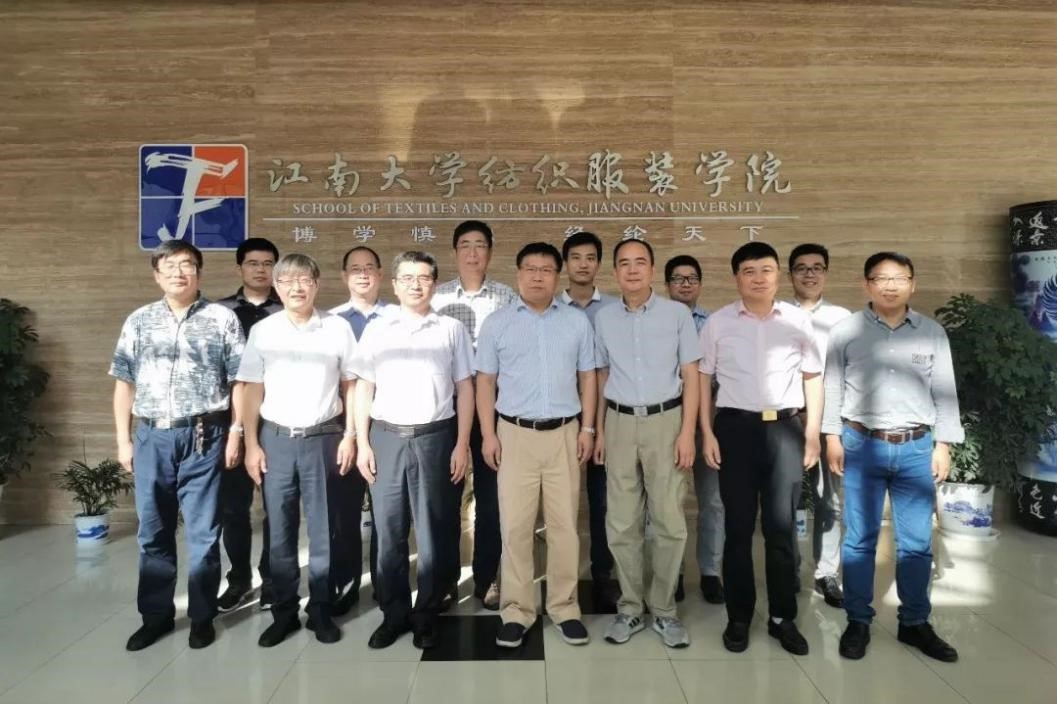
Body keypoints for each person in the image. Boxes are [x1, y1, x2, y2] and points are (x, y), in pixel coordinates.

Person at [825, 252, 963, 663]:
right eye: (881, 278)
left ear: (912, 284)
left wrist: (943, 445)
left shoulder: (932, 332)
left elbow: (945, 391)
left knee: (917, 543)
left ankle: (915, 622)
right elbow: (832, 386)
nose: (890, 285)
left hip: (917, 447)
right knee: (859, 539)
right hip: (861, 443)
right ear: (866, 284)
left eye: (899, 278)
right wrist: (831, 437)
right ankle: (858, 621)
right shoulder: (846, 331)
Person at [111, 240, 244, 651]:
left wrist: (237, 431)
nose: (178, 273)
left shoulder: (222, 319)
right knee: (153, 531)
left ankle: (202, 617)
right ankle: (156, 617)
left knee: (204, 533)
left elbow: (240, 382)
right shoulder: (139, 321)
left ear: (199, 272)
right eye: (169, 266)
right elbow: (124, 384)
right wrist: (123, 440)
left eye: (187, 265)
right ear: (157, 275)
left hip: (205, 435)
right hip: (151, 436)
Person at [699, 241, 822, 656]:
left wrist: (812, 431)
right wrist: (707, 432)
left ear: (778, 275)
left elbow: (813, 377)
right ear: (736, 278)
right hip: (734, 429)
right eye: (749, 271)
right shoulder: (718, 322)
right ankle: (739, 616)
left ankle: (782, 617)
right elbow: (703, 380)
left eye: (766, 270)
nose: (758, 278)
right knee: (737, 528)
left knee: (780, 528)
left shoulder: (797, 321)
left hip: (785, 428)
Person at [477, 242, 597, 648]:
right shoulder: (497, 323)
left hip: (565, 433)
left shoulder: (576, 322)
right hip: (514, 435)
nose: (538, 276)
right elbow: (485, 382)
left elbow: (588, 377)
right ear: (518, 274)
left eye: (546, 270)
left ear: (557, 276)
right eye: (530, 269)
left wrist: (588, 429)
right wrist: (488, 434)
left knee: (564, 527)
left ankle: (564, 607)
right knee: (515, 527)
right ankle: (517, 610)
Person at [354, 251, 474, 650]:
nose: (415, 285)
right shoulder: (377, 329)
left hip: (436, 437)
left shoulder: (451, 329)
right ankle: (393, 614)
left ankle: (427, 614)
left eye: (423, 278)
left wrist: (461, 443)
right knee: (389, 532)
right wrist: (362, 442)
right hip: (386, 437)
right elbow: (363, 387)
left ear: (434, 284)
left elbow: (465, 388)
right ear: (394, 284)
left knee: (434, 532)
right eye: (407, 278)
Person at [239, 253, 357, 648]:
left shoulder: (337, 328)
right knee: (280, 530)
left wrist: (351, 434)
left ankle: (320, 609)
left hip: (324, 438)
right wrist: (251, 443)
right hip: (275, 441)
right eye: (287, 280)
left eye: (304, 279)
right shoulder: (264, 331)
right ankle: (284, 612)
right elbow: (251, 389)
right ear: (276, 287)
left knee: (325, 530)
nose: (297, 287)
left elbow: (351, 386)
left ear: (317, 284)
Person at [593, 238, 699, 649]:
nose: (632, 269)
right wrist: (599, 430)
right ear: (615, 272)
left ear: (652, 269)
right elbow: (601, 375)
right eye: (624, 263)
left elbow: (691, 376)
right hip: (618, 421)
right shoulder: (604, 318)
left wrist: (687, 432)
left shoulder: (677, 315)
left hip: (666, 421)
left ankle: (665, 611)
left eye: (640, 262)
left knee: (669, 520)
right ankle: (630, 608)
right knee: (621, 521)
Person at [432, 220, 517, 609]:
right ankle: (446, 580)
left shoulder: (507, 297)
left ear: (490, 252)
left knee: (491, 497)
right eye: (464, 245)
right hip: (443, 408)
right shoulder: (436, 297)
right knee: (444, 498)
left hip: (494, 408)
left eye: (479, 244)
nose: (472, 252)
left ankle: (487, 579)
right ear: (454, 252)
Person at [215, 237, 282, 612]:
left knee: (277, 506)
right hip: (229, 425)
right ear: (240, 267)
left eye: (268, 263)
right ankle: (239, 578)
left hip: (275, 420)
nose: (260, 270)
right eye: (253, 263)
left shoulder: (287, 310)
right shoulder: (218, 312)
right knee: (233, 508)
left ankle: (272, 578)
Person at [787, 243, 851, 609]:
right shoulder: (776, 314)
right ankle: (790, 567)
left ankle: (826, 573)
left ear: (826, 273)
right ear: (790, 274)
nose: (809, 274)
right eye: (801, 268)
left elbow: (851, 373)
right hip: (786, 420)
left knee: (830, 501)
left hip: (828, 423)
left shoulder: (844, 319)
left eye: (817, 267)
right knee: (786, 501)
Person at [327, 245, 390, 613]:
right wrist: (350, 434)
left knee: (387, 512)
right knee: (344, 511)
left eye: (369, 267)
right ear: (344, 276)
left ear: (381, 275)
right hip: (341, 428)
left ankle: (385, 583)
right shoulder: (331, 321)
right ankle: (346, 585)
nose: (363, 274)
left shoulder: (397, 318)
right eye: (355, 268)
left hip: (389, 425)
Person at [559, 231, 619, 609]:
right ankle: (557, 579)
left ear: (598, 264)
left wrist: (597, 426)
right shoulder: (549, 307)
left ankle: (602, 575)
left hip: (605, 417)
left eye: (590, 257)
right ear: (565, 264)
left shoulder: (613, 309)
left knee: (603, 501)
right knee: (559, 504)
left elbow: (608, 370)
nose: (583, 264)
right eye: (576, 257)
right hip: (560, 416)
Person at [663, 254, 725, 606]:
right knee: (667, 502)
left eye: (691, 278)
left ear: (700, 284)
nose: (685, 284)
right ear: (667, 285)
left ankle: (711, 572)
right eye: (677, 278)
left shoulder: (714, 323)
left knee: (712, 500)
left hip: (708, 422)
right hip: (667, 419)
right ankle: (672, 573)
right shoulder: (658, 321)